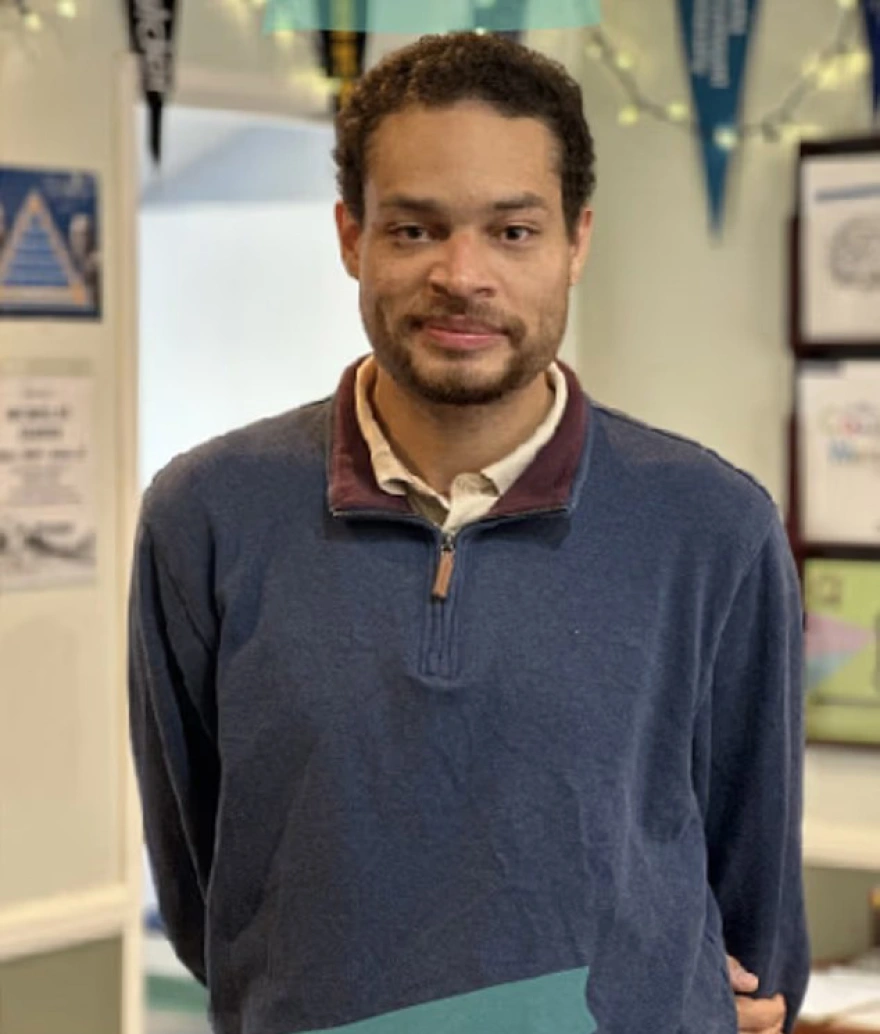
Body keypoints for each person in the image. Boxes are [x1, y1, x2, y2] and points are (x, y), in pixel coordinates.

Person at [128, 32, 809, 1034]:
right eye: (415, 229)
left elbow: (756, 915)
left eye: (513, 231)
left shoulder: (712, 527)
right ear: (351, 237)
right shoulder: (205, 515)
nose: (462, 274)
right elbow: (211, 893)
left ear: (576, 241)